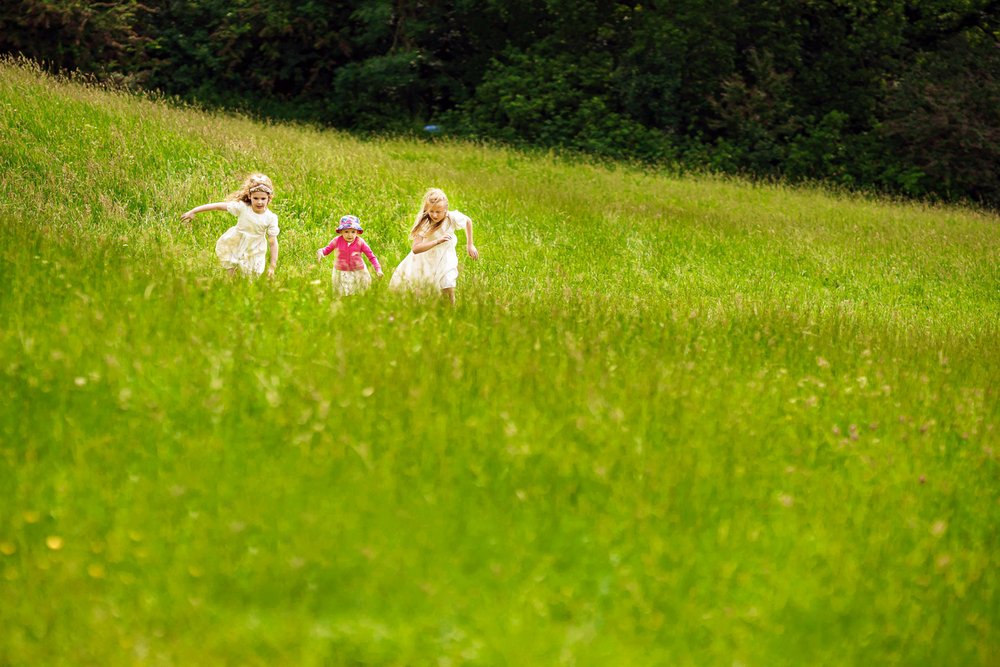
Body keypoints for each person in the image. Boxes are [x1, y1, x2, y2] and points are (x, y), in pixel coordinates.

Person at [389, 188, 479, 303]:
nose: (434, 215)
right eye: (431, 211)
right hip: (426, 259)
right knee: (423, 290)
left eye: (438, 211)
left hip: (446, 257)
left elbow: (467, 221)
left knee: (448, 283)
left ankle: (451, 312)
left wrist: (470, 244)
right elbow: (415, 249)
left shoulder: (451, 218)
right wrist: (437, 242)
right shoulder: (425, 223)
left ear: (445, 210)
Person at [180, 173, 280, 278]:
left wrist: (272, 266)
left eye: (263, 199)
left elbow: (273, 243)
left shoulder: (271, 218)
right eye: (256, 198)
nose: (259, 202)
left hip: (255, 249)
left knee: (250, 277)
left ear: (269, 198)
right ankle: (228, 288)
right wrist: (193, 211)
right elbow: (217, 206)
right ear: (250, 196)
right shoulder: (242, 208)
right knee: (231, 273)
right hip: (236, 243)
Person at [316, 215, 383, 295]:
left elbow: (371, 257)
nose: (350, 235)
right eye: (346, 231)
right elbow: (327, 250)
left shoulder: (360, 242)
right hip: (341, 273)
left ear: (357, 232)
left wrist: (378, 269)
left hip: (358, 272)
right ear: (341, 232)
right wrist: (321, 252)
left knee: (360, 294)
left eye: (353, 232)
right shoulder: (337, 241)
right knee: (342, 295)